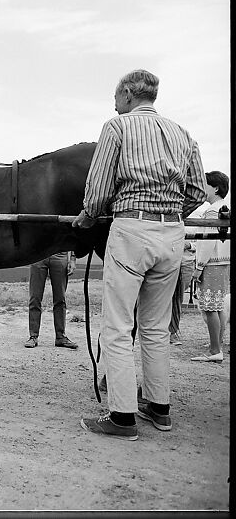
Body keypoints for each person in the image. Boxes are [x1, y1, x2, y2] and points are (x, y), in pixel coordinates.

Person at [72, 69, 206, 440]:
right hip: (172, 233)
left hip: (132, 228)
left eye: (116, 96)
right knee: (156, 326)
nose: (113, 104)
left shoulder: (117, 128)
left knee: (116, 326)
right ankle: (159, 409)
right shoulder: (183, 134)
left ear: (129, 94)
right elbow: (196, 189)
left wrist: (88, 215)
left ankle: (122, 417)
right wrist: (172, 210)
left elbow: (97, 189)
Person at [190, 171, 231, 363]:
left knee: (209, 307)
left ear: (215, 188)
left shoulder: (212, 211)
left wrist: (199, 266)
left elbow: (207, 243)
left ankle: (215, 349)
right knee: (217, 305)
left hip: (212, 263)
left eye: (205, 185)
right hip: (222, 262)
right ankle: (217, 346)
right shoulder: (224, 208)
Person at [24, 252, 78, 349]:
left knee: (60, 298)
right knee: (35, 297)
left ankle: (60, 336)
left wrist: (73, 259)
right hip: (38, 254)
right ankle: (33, 336)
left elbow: (72, 236)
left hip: (59, 255)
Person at [168, 239, 196, 345]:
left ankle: (172, 332)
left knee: (176, 299)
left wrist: (189, 245)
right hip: (166, 262)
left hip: (185, 263)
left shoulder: (202, 225)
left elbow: (203, 245)